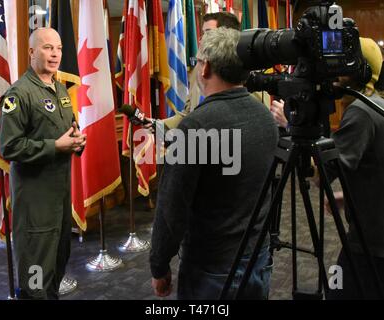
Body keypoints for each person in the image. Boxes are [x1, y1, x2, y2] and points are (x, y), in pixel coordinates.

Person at [150, 27, 279, 300]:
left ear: (205, 67)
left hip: (213, 270)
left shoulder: (196, 126)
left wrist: (159, 265)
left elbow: (171, 209)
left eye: (197, 61)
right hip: (258, 257)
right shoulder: (266, 118)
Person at [270, 37, 384, 299]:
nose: (331, 72)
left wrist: (290, 125)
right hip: (373, 236)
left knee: (338, 290)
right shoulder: (375, 104)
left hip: (370, 246)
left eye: (339, 65)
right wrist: (349, 196)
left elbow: (321, 173)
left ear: (358, 70)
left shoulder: (361, 113)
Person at [0, 28, 86, 299]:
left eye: (58, 48)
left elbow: (67, 130)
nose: (55, 54)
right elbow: (9, 147)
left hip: (59, 200)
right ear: (32, 52)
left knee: (56, 268)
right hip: (35, 204)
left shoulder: (59, 89)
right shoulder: (19, 94)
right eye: (48, 48)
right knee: (35, 278)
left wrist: (77, 140)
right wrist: (55, 146)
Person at [161, 12, 241, 130]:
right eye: (202, 34)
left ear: (227, 36)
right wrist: (158, 125)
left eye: (208, 33)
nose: (201, 39)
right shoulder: (199, 70)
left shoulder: (244, 72)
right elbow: (189, 113)